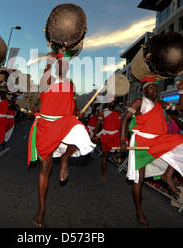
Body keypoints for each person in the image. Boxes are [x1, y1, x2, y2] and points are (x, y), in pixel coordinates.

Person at [120, 78, 183, 227]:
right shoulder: (139, 102)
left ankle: (167, 175)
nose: (154, 90)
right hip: (142, 141)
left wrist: (181, 90)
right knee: (139, 178)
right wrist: (122, 141)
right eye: (150, 88)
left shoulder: (161, 104)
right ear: (144, 90)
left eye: (155, 87)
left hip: (158, 140)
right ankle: (139, 212)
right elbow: (125, 119)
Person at [28, 52, 95, 227]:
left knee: (81, 132)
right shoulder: (47, 79)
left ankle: (65, 158)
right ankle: (41, 209)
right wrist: (51, 58)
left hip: (64, 122)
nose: (63, 66)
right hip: (47, 126)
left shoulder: (70, 83)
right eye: (60, 63)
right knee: (44, 168)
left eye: (66, 63)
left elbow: (71, 106)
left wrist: (77, 112)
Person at [93, 98, 122, 182]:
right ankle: (103, 175)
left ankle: (114, 156)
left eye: (114, 101)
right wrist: (95, 135)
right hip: (106, 136)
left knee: (118, 152)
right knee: (105, 156)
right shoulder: (103, 112)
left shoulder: (118, 113)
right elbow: (97, 125)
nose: (112, 103)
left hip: (116, 136)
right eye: (110, 101)